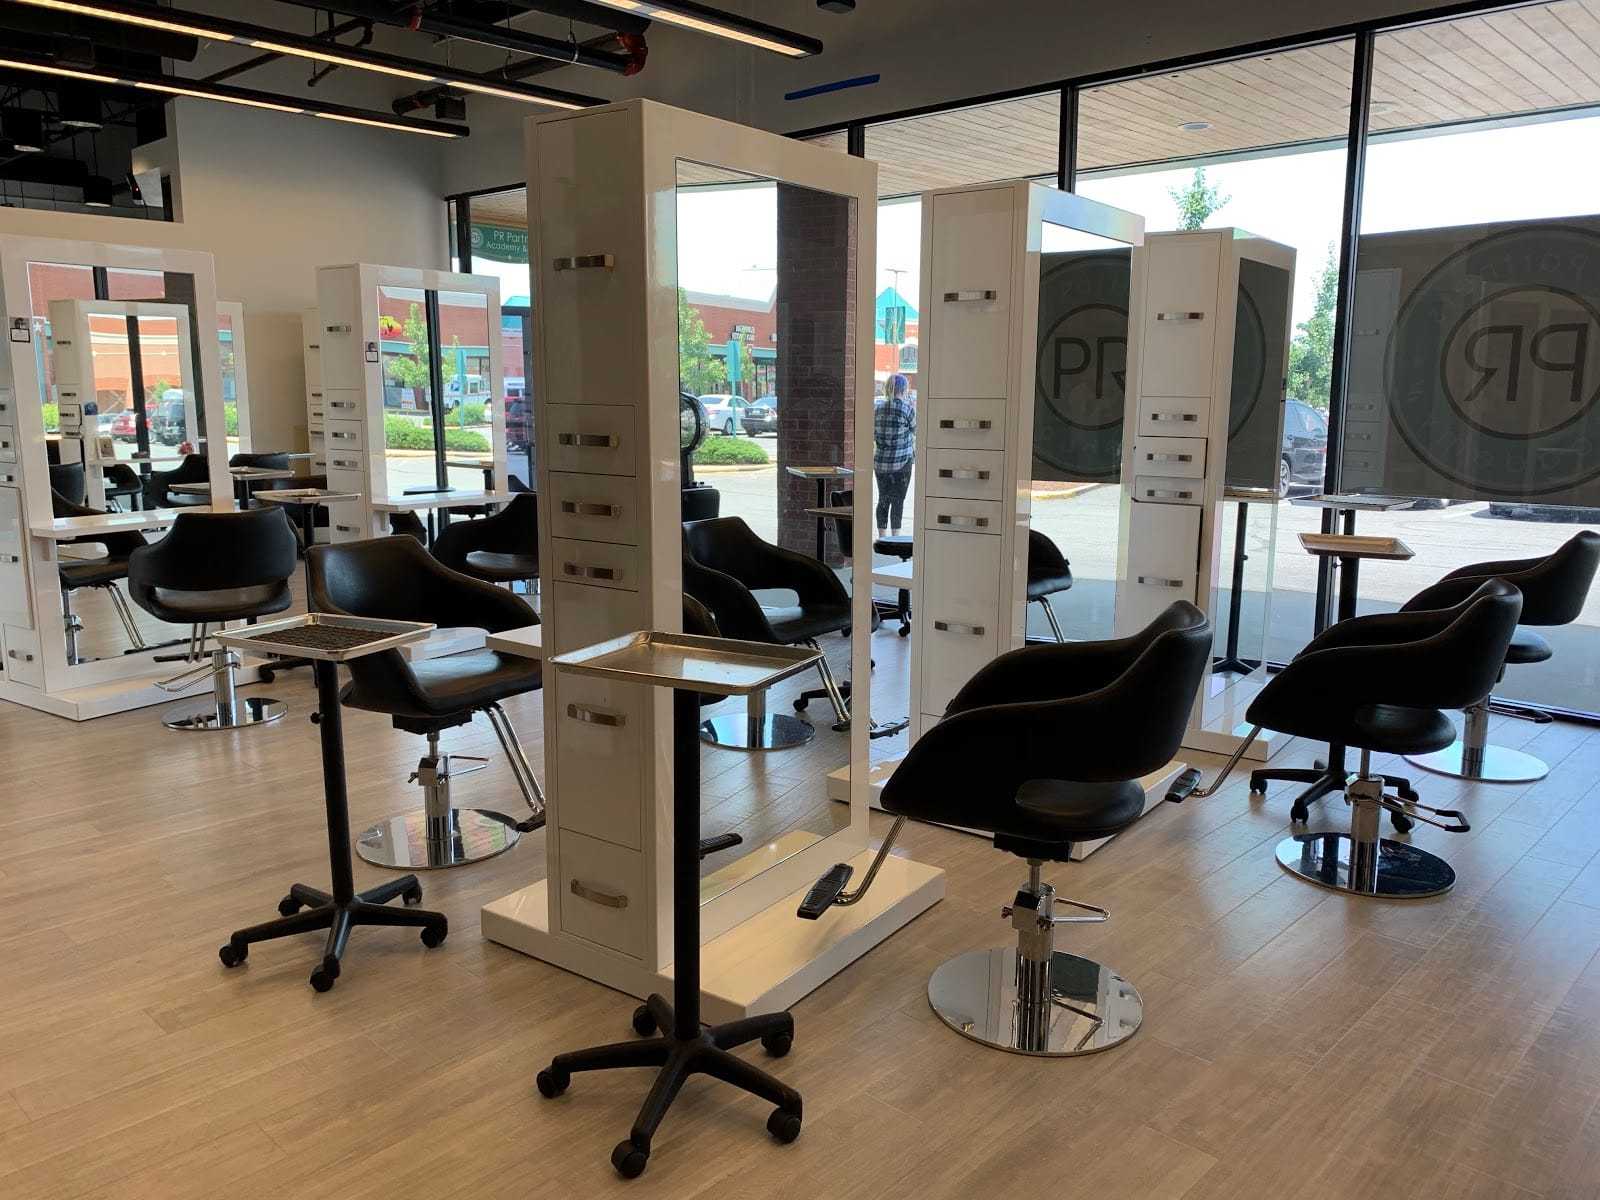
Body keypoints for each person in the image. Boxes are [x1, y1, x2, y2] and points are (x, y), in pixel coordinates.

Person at [873, 373, 916, 538]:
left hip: (881, 463)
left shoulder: (877, 409)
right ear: (904, 389)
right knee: (898, 501)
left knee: (883, 499)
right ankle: (895, 538)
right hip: (902, 463)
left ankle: (882, 537)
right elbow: (916, 430)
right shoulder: (907, 409)